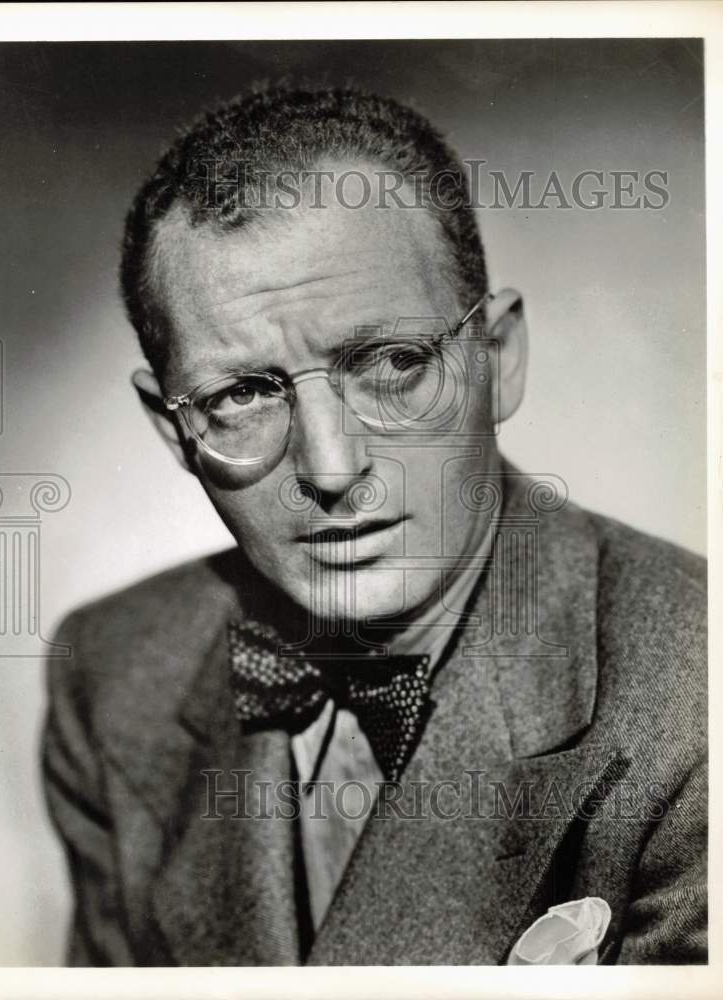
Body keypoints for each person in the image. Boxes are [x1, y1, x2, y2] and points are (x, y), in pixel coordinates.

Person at [42, 86, 707, 966]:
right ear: (175, 432)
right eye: (242, 394)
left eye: (391, 363)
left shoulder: (697, 702)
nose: (330, 468)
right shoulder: (115, 674)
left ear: (499, 359)